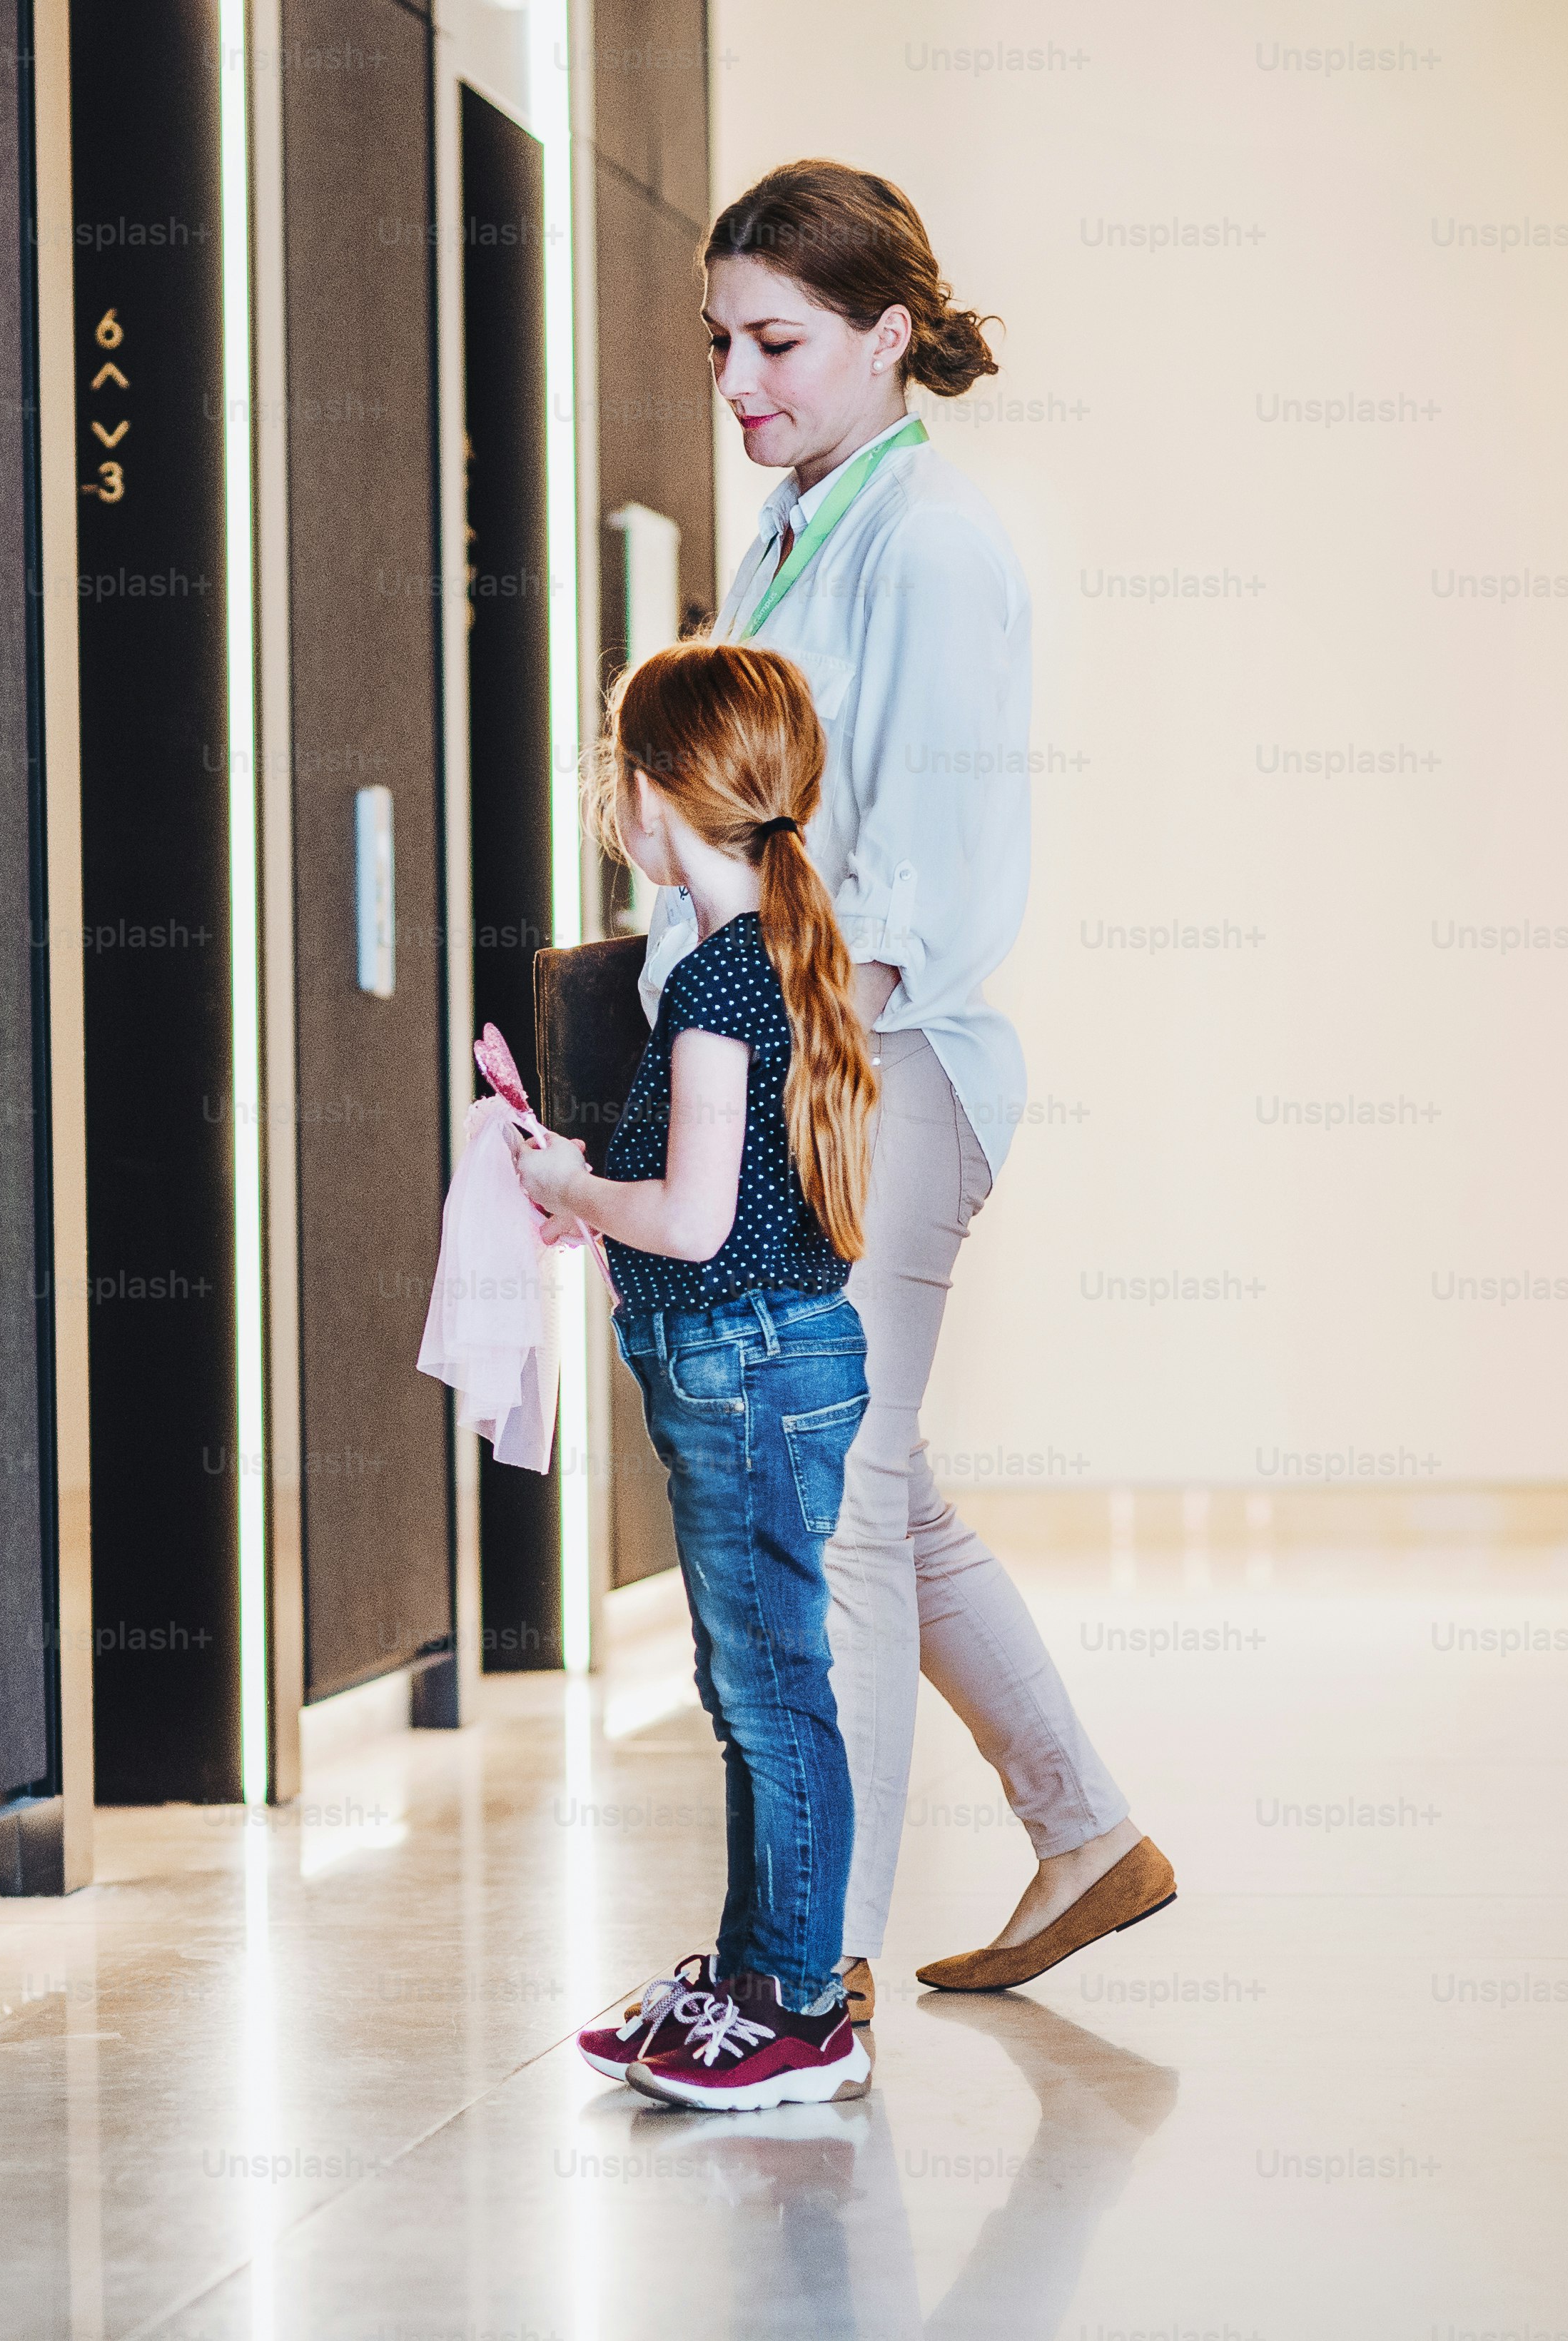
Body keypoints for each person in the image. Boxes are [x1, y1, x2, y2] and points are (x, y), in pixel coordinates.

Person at [637, 158, 1173, 1998]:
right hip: (806, 1057)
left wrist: (759, 1062)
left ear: (886, 336)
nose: (738, 381)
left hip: (869, 1069)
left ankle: (814, 1969)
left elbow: (925, 874)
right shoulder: (796, 527)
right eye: (720, 342)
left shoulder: (928, 543)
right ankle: (1084, 1828)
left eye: (776, 341)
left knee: (833, 1494)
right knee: (882, 1476)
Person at [516, 640, 877, 2110]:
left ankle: (801, 2007)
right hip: (749, 1364)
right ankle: (752, 1971)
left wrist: (569, 1177)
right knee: (752, 1682)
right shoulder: (755, 951)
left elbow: (693, 1217)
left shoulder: (722, 977)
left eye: (617, 772)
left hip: (744, 1368)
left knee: (770, 1688)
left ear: (655, 796)